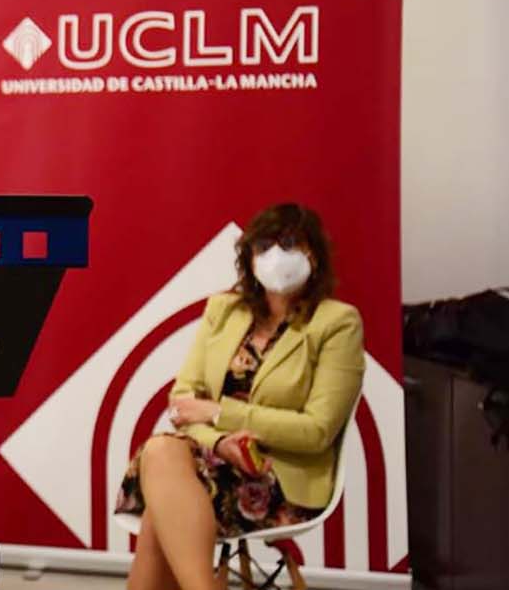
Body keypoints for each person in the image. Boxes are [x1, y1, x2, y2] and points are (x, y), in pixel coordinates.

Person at [116, 203, 365, 590]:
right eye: (263, 245)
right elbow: (183, 400)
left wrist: (220, 413)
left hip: (280, 477)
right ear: (248, 257)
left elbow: (317, 431)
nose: (276, 255)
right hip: (216, 460)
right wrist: (220, 442)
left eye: (288, 243)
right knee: (162, 452)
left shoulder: (337, 323)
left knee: (161, 509)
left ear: (313, 255)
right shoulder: (224, 310)